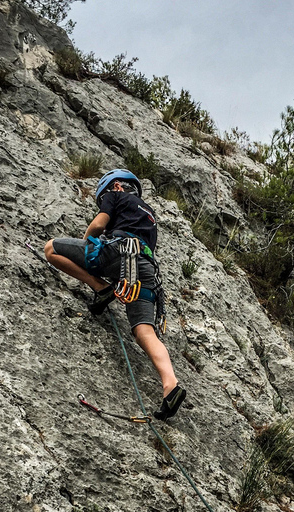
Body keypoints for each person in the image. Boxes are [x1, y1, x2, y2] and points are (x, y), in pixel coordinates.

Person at [44, 169, 186, 421]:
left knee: (51, 249)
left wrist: (88, 246)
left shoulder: (115, 195)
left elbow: (99, 224)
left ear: (117, 186)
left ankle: (100, 288)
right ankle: (170, 386)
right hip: (146, 271)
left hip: (119, 256)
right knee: (144, 331)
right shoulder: (149, 213)